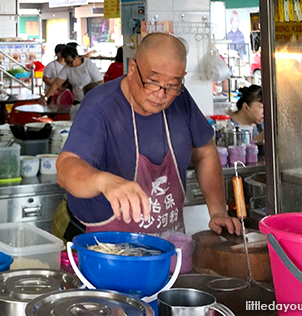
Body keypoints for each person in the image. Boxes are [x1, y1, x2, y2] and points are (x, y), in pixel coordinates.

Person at [57, 33, 240, 239]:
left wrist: (217, 211)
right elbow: (66, 167)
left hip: (166, 239)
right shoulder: (100, 106)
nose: (161, 94)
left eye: (172, 85)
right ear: (133, 69)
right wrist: (103, 182)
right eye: (152, 82)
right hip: (102, 243)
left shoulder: (181, 99)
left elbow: (205, 151)